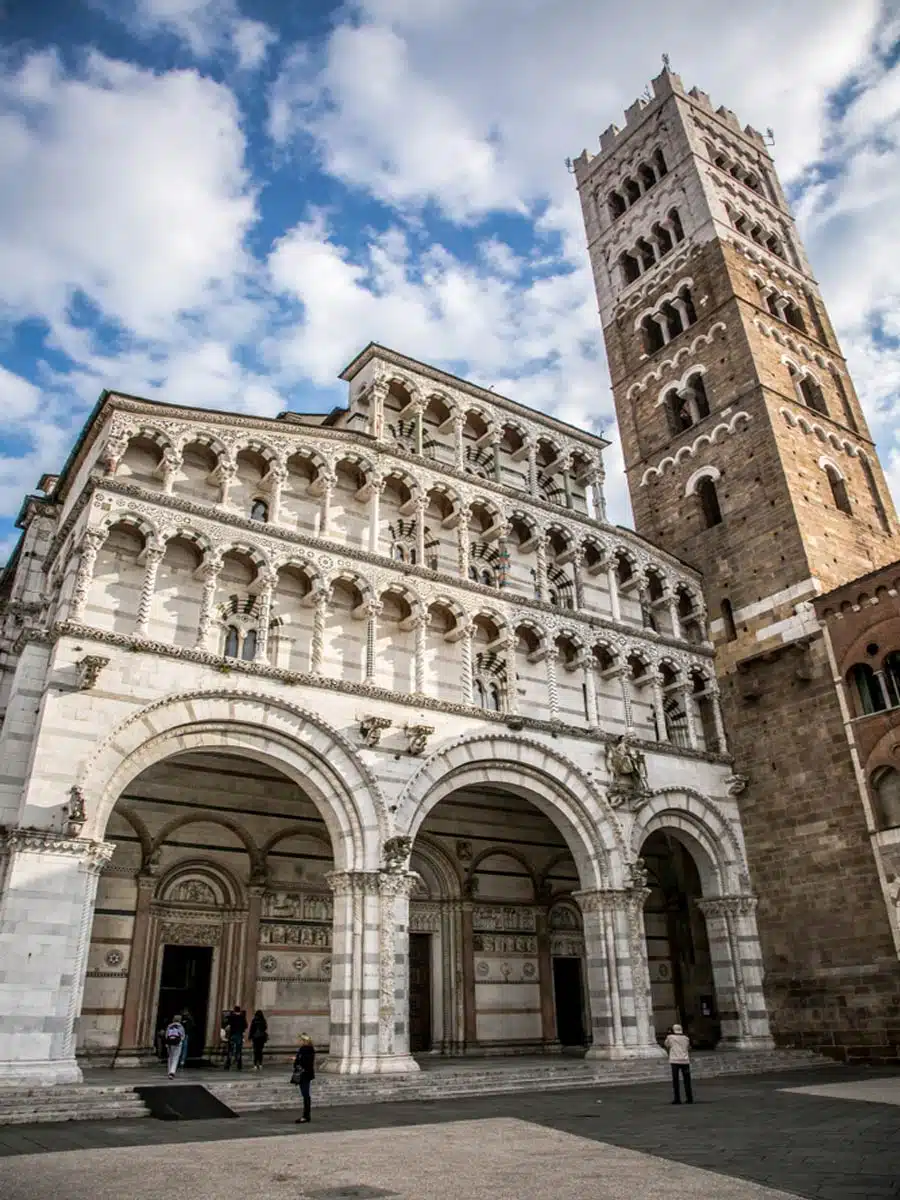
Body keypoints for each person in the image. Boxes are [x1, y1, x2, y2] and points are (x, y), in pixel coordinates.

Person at [664, 1023, 693, 1104]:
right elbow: (688, 1047)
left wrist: (669, 1034)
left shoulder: (670, 1037)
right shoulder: (686, 1038)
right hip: (685, 1060)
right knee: (687, 1081)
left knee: (676, 1081)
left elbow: (666, 1045)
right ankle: (689, 1098)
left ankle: (677, 1099)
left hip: (675, 1061)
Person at [292, 1033, 316, 1124]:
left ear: (304, 1041)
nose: (299, 1041)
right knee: (306, 1095)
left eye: (300, 1040)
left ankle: (306, 1116)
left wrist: (296, 1059)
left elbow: (303, 1062)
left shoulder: (304, 1049)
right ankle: (306, 1115)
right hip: (307, 1074)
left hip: (304, 1074)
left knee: (305, 1095)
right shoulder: (310, 1050)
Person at [223, 1004, 247, 1070]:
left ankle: (228, 1065)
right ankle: (239, 1065)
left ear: (234, 1010)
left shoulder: (231, 1017)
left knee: (230, 1050)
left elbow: (227, 1025)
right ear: (240, 1010)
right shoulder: (242, 1017)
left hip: (232, 1035)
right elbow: (245, 1026)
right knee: (238, 1050)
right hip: (239, 1035)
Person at [164, 1014, 186, 1079]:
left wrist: (167, 1043)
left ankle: (169, 1072)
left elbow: (166, 1035)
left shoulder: (169, 1026)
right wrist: (180, 1041)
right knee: (175, 1057)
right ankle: (172, 1072)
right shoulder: (180, 1026)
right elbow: (183, 1035)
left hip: (170, 1043)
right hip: (177, 1044)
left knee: (170, 1057)